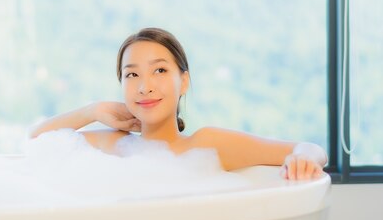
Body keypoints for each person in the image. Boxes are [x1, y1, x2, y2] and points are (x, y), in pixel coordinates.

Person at [30, 27, 327, 180]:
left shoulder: (205, 146)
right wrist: (92, 110)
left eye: (159, 70)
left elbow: (308, 148)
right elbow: (39, 142)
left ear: (183, 81)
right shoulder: (115, 145)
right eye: (131, 74)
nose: (145, 86)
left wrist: (303, 159)